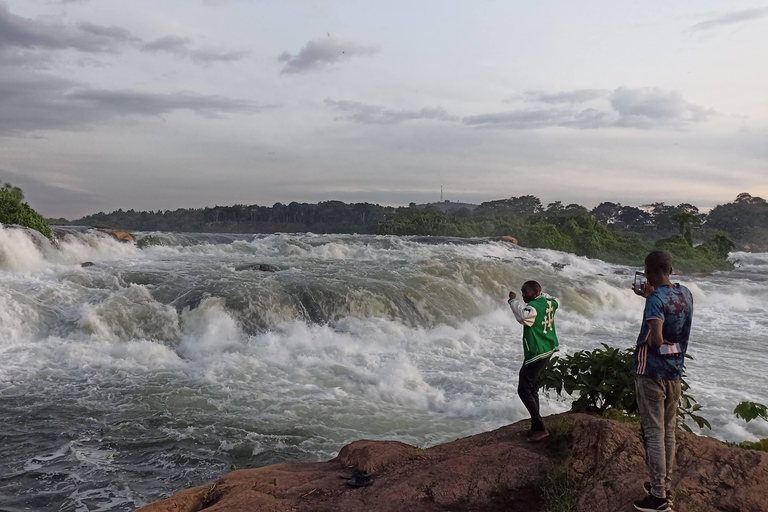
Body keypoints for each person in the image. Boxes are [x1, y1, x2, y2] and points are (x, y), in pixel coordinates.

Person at [632, 251, 693, 512]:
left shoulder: (655, 299)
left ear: (646, 272)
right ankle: (663, 485)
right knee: (668, 431)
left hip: (651, 372)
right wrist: (649, 296)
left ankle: (658, 498)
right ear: (671, 269)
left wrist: (649, 338)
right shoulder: (685, 294)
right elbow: (671, 317)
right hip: (674, 372)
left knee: (654, 434)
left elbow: (656, 339)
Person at [508, 280, 560, 442]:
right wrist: (540, 295)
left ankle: (540, 427)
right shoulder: (549, 302)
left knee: (524, 390)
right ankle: (535, 426)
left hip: (537, 352)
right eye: (522, 292)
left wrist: (512, 301)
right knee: (532, 388)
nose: (523, 295)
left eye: (526, 293)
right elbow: (555, 299)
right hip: (548, 349)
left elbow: (523, 315)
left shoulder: (533, 308)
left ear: (535, 293)